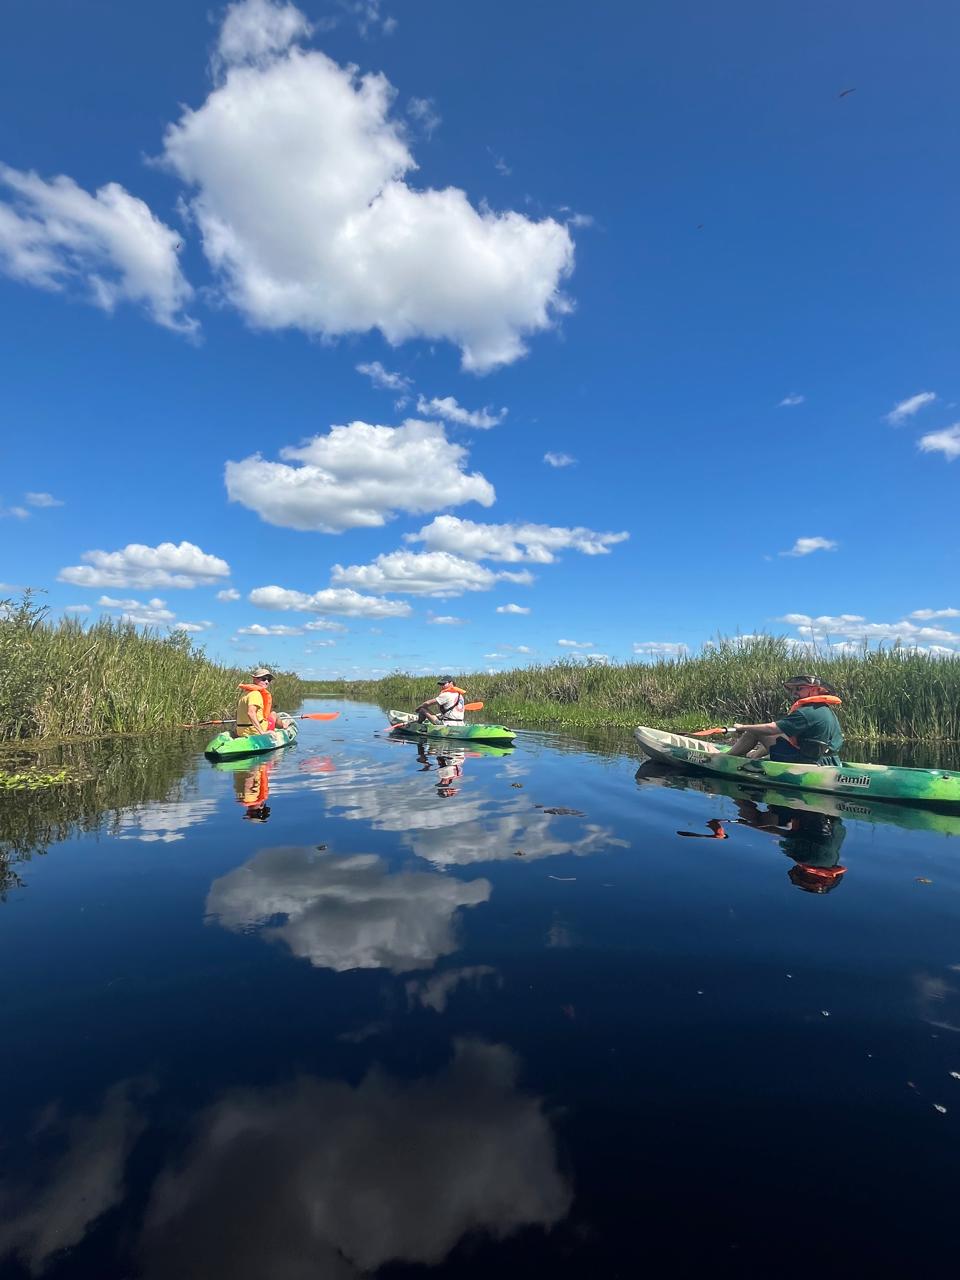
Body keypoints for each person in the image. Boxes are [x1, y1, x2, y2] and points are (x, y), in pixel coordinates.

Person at [723, 674, 843, 764]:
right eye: (792, 690)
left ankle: (722, 759)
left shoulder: (807, 712)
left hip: (808, 762)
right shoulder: (825, 709)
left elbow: (771, 729)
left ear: (815, 690)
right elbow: (782, 735)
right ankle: (754, 756)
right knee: (780, 735)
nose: (794, 693)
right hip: (830, 760)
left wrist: (742, 727)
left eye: (799, 689)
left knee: (754, 732)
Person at [235, 667, 276, 737]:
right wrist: (262, 732)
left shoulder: (245, 693)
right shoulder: (256, 694)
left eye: (269, 680)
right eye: (263, 679)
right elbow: (251, 713)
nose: (266, 682)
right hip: (254, 732)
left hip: (241, 731)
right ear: (255, 679)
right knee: (273, 714)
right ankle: (285, 726)